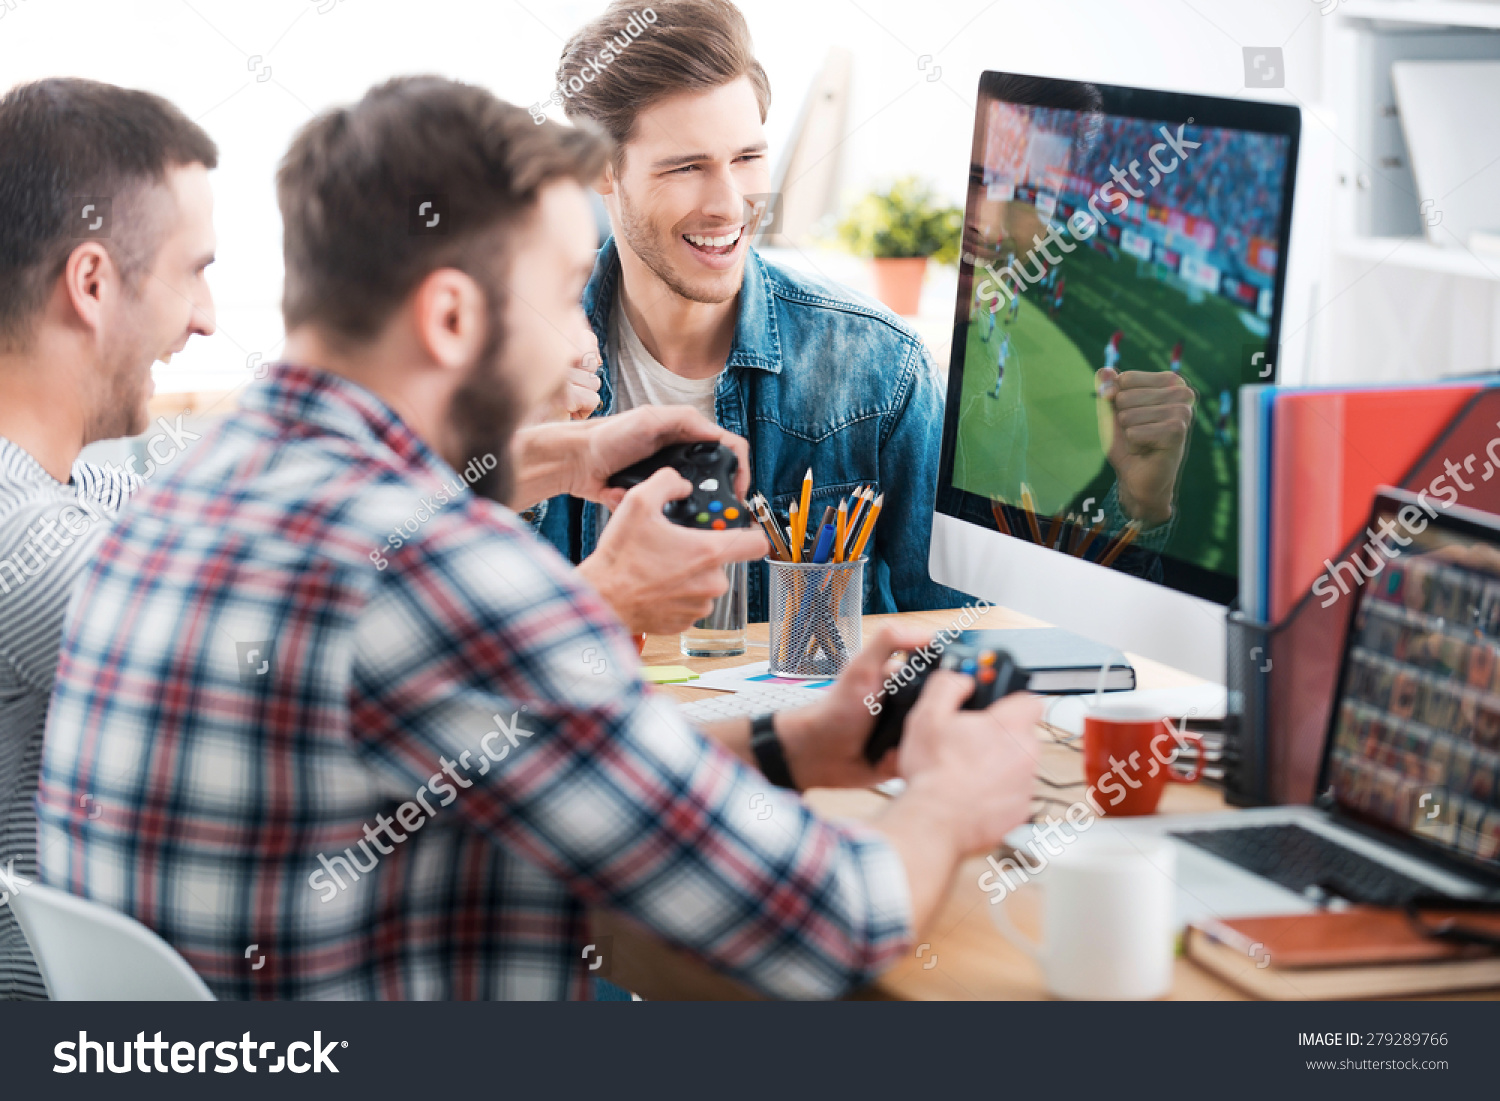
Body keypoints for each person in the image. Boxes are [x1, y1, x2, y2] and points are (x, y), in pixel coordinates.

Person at [37, 76, 1043, 1000]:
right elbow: (833, 921)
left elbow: (547, 760)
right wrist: (952, 801)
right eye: (565, 293)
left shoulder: (182, 490)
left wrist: (796, 741)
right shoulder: (437, 572)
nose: (579, 343)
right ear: (450, 316)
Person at [536, 0, 966, 620]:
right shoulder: (514, 364)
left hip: (790, 721)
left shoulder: (881, 370)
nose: (730, 205)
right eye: (687, 167)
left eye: (747, 158)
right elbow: (454, 644)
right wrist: (532, 454)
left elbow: (959, 634)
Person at [0, 78, 220, 1001]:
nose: (206, 316)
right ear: (92, 283)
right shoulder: (19, 534)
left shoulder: (86, 471)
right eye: (194, 270)